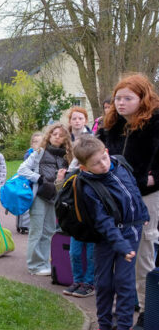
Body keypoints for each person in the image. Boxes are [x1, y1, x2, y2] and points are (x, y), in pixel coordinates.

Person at [72, 135, 149, 330]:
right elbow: (103, 222)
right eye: (96, 164)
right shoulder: (87, 186)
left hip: (131, 230)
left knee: (124, 283)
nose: (103, 165)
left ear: (106, 150)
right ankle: (105, 328)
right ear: (84, 166)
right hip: (108, 236)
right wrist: (122, 246)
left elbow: (134, 190)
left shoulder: (120, 164)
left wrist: (143, 213)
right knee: (103, 282)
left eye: (103, 158)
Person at [96, 73, 159, 330]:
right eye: (118, 98)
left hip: (145, 197)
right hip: (113, 198)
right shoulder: (111, 125)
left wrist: (150, 177)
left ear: (142, 98)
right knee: (111, 252)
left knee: (143, 250)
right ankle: (114, 310)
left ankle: (147, 310)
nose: (120, 103)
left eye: (127, 98)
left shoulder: (155, 124)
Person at [18, 123, 73, 276]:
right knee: (36, 230)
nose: (57, 137)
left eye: (60, 135)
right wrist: (39, 178)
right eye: (54, 134)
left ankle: (43, 262)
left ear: (65, 139)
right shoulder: (40, 152)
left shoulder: (67, 156)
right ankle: (34, 266)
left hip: (54, 197)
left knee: (49, 231)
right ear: (49, 135)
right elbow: (22, 169)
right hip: (40, 196)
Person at [64, 107, 96, 298]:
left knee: (91, 252)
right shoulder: (68, 143)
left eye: (80, 118)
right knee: (75, 252)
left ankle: (89, 282)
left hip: (91, 212)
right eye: (74, 118)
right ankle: (77, 280)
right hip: (76, 211)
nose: (77, 121)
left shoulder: (91, 140)